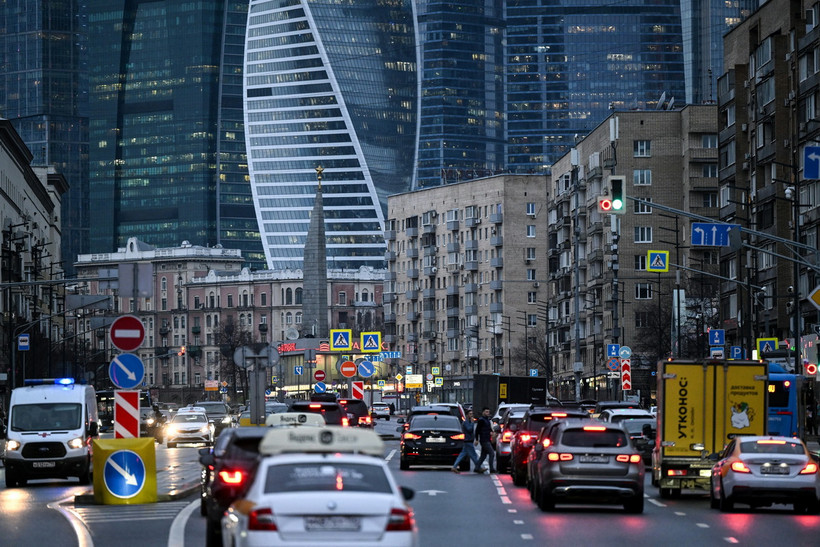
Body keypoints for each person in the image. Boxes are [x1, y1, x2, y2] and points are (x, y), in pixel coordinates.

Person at [475, 407, 496, 474]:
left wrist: (492, 432)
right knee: (491, 453)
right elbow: (477, 430)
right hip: (484, 440)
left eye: (488, 412)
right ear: (483, 412)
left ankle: (477, 467)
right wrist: (477, 439)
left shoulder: (487, 420)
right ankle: (491, 469)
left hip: (487, 439)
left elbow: (489, 428)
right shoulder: (481, 420)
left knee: (483, 455)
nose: (488, 413)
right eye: (486, 412)